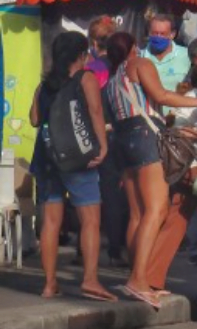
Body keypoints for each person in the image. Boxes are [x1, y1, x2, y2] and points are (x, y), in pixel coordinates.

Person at [104, 31, 197, 309]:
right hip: (144, 139)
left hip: (122, 140)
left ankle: (135, 274)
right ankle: (139, 280)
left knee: (138, 214)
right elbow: (161, 94)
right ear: (131, 48)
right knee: (158, 210)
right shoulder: (140, 65)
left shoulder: (112, 80)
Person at [29, 31, 116, 302]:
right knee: (90, 220)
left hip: (46, 159)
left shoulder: (44, 85)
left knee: (51, 223)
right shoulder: (85, 78)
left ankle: (49, 284)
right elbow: (95, 112)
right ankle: (90, 280)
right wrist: (102, 146)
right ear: (81, 54)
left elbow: (33, 119)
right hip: (79, 160)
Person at [146, 62, 197, 288]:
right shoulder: (195, 100)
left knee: (176, 218)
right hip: (190, 166)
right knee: (177, 218)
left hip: (194, 166)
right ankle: (151, 276)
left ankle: (151, 275)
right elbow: (180, 131)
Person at [78, 15, 129, 269]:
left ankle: (82, 248)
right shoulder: (123, 67)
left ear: (93, 41)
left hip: (91, 134)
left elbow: (90, 106)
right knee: (114, 195)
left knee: (84, 192)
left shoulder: (93, 69)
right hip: (118, 133)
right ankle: (115, 249)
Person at [140, 15, 190, 96]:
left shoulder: (187, 55)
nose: (158, 37)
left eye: (163, 34)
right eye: (154, 33)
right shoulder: (140, 56)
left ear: (172, 34)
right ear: (149, 32)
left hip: (177, 107)